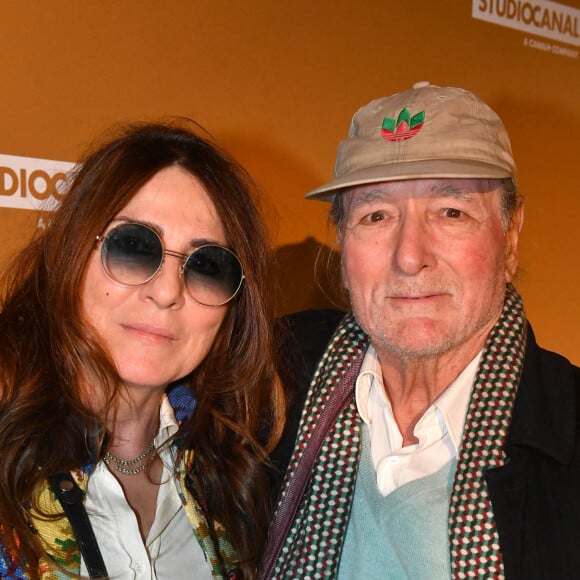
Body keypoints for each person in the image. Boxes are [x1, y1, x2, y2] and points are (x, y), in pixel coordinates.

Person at [262, 82, 580, 579]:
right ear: (343, 241)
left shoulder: (567, 436)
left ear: (510, 233)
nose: (410, 256)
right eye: (376, 215)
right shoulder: (269, 385)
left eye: (451, 212)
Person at [0, 121, 285, 579]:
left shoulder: (234, 475)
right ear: (70, 256)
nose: (168, 291)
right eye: (133, 246)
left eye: (206, 264)